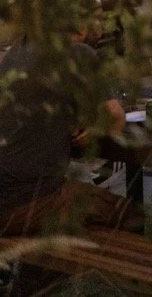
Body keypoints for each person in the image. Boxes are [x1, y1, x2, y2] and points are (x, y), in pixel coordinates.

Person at [0, 27, 139, 236]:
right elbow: (115, 120)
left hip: (8, 198)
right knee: (131, 214)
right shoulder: (78, 54)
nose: (101, 29)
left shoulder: (16, 51)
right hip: (25, 205)